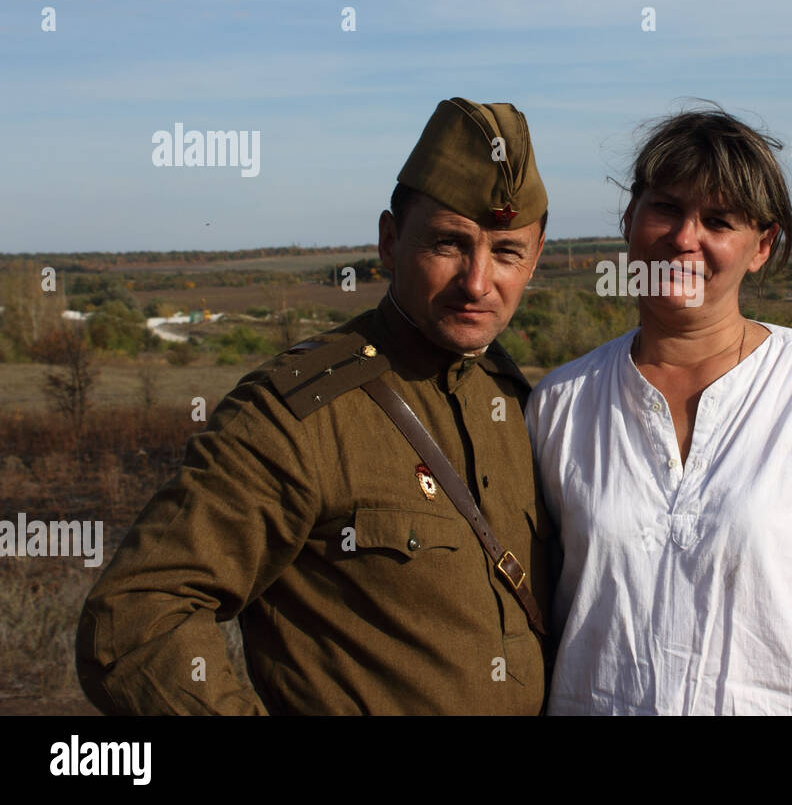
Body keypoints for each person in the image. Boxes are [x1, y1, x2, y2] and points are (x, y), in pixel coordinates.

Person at [76, 97, 555, 714]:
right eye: (447, 244)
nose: (478, 281)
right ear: (389, 242)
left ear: (536, 257)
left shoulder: (520, 403)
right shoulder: (298, 414)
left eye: (507, 252)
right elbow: (134, 621)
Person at [526, 104, 792, 715]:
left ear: (761, 246)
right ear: (629, 218)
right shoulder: (560, 405)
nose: (685, 238)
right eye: (666, 208)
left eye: (719, 220)